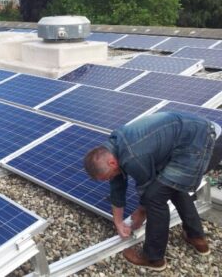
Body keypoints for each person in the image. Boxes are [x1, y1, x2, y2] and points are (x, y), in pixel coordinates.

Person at [84, 112, 222, 271]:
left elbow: (148, 190)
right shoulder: (112, 147)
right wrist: (118, 221)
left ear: (112, 162)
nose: (110, 178)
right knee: (173, 185)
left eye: (108, 176)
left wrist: (140, 213)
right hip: (192, 139)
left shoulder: (133, 156)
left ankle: (153, 259)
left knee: (154, 198)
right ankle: (197, 238)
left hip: (207, 144)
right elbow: (117, 183)